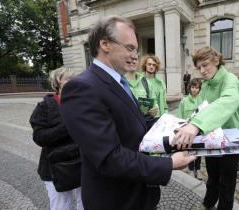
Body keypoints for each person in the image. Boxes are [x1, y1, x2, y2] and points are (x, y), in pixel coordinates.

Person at [60, 16, 195, 210]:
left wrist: (169, 125)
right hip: (116, 200)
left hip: (138, 193)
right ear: (105, 44)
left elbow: (131, 126)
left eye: (136, 50)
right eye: (130, 48)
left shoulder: (119, 81)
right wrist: (168, 164)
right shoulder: (82, 88)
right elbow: (109, 157)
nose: (135, 56)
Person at [174, 47, 239, 210]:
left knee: (227, 183)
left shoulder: (230, 79)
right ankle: (207, 203)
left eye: (205, 65)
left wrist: (196, 124)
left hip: (230, 140)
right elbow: (203, 108)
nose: (202, 71)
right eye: (199, 68)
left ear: (217, 61)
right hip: (210, 137)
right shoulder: (205, 84)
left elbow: (228, 100)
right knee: (212, 176)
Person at [29, 67, 83, 210]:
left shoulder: (83, 104)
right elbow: (40, 137)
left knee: (86, 204)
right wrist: (68, 125)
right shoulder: (44, 107)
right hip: (55, 169)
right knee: (62, 206)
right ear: (58, 82)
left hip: (82, 165)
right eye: (69, 79)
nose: (74, 83)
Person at [177, 78, 202, 179]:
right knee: (190, 149)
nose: (195, 90)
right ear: (189, 88)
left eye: (197, 88)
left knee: (199, 150)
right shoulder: (184, 101)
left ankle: (198, 169)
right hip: (188, 131)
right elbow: (180, 117)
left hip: (199, 130)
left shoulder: (202, 100)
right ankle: (191, 169)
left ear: (200, 89)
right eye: (193, 87)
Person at [125, 58, 159, 128]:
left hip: (145, 125)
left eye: (135, 59)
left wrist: (155, 109)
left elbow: (154, 102)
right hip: (127, 126)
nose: (133, 61)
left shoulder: (145, 82)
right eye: (130, 59)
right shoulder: (119, 81)